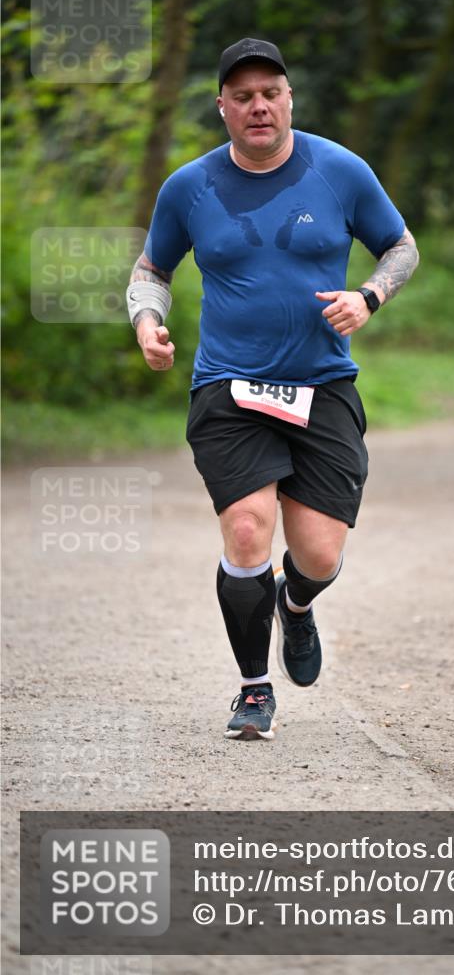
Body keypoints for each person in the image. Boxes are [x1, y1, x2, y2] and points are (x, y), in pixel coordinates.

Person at [126, 38, 419, 740]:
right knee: (248, 529)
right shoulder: (188, 187)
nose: (258, 106)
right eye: (243, 96)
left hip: (322, 385)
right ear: (222, 106)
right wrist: (146, 322)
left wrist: (369, 296)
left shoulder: (339, 170)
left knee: (317, 555)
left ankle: (294, 603)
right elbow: (151, 270)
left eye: (271, 93)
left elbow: (401, 247)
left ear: (289, 99)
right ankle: (254, 688)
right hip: (229, 389)